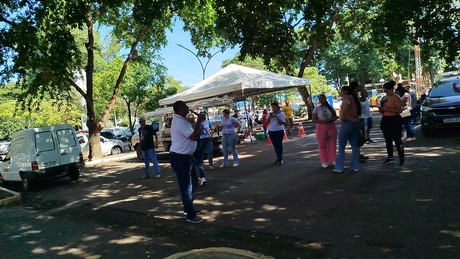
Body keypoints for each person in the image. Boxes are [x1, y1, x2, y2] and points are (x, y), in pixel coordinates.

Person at [169, 101, 205, 223]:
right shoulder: (179, 121)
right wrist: (199, 121)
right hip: (180, 158)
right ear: (179, 109)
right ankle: (190, 214)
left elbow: (195, 134)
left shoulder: (183, 120)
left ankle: (188, 207)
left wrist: (197, 123)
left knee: (194, 182)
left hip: (186, 157)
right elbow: (194, 137)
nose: (188, 108)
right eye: (185, 106)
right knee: (186, 187)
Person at [333, 85, 362, 173]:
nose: (340, 93)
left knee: (341, 146)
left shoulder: (346, 98)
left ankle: (339, 166)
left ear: (345, 91)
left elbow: (346, 105)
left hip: (347, 122)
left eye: (341, 91)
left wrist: (342, 116)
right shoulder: (354, 98)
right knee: (354, 145)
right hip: (355, 122)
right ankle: (356, 165)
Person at [379, 81, 405, 166]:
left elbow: (399, 110)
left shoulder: (396, 98)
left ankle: (402, 158)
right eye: (384, 91)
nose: (385, 92)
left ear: (391, 89)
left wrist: (386, 109)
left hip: (394, 119)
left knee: (397, 140)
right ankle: (390, 157)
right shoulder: (384, 97)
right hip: (386, 119)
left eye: (386, 90)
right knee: (388, 140)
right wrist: (382, 109)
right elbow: (382, 108)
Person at [312, 94, 338, 168]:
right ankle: (324, 161)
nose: (321, 100)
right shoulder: (316, 109)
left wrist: (330, 120)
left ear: (325, 98)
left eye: (322, 98)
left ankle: (333, 159)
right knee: (322, 145)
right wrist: (322, 121)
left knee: (332, 144)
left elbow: (335, 116)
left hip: (331, 126)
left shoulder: (330, 107)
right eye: (319, 99)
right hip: (321, 128)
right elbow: (313, 119)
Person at [197, 112, 214, 185]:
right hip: (201, 139)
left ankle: (210, 164)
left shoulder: (208, 122)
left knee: (210, 151)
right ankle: (201, 166)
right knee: (201, 153)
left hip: (207, 138)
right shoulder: (198, 123)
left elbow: (212, 128)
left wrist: (211, 135)